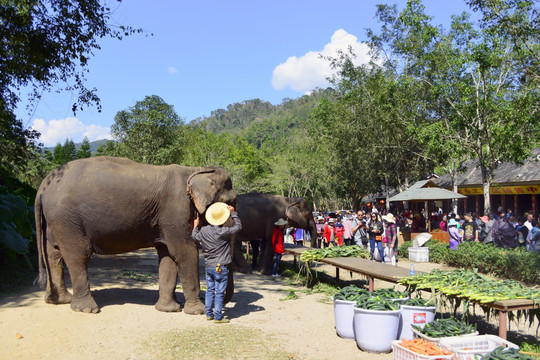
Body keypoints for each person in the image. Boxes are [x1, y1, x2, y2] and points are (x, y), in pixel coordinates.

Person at [192, 202, 242, 324]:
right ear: (223, 219)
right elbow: (238, 227)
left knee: (210, 290)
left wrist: (195, 226)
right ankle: (218, 317)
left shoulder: (203, 231)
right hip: (221, 266)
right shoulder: (224, 232)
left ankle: (209, 314)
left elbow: (194, 236)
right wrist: (233, 213)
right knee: (219, 292)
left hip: (209, 266)